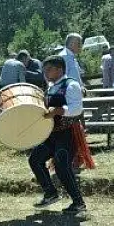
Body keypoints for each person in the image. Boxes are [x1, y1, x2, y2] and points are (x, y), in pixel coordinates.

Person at [28, 55, 90, 214]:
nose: (45, 72)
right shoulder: (51, 86)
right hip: (51, 134)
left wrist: (58, 110)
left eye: (49, 69)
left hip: (68, 133)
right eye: (45, 69)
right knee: (35, 159)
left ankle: (78, 203)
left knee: (62, 166)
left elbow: (77, 109)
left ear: (59, 69)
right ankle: (50, 193)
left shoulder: (72, 85)